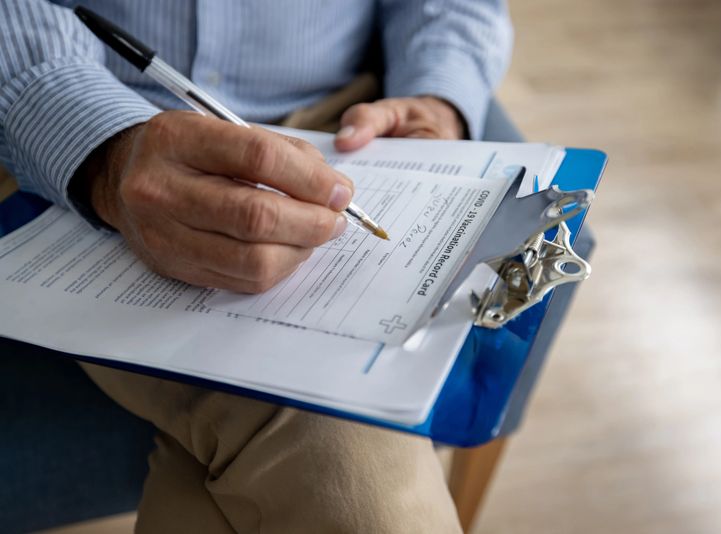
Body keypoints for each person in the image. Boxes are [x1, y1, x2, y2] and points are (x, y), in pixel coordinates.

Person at [0, 1, 513, 532]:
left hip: (345, 129)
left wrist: (437, 98)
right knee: (359, 481)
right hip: (90, 130)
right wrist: (104, 153)